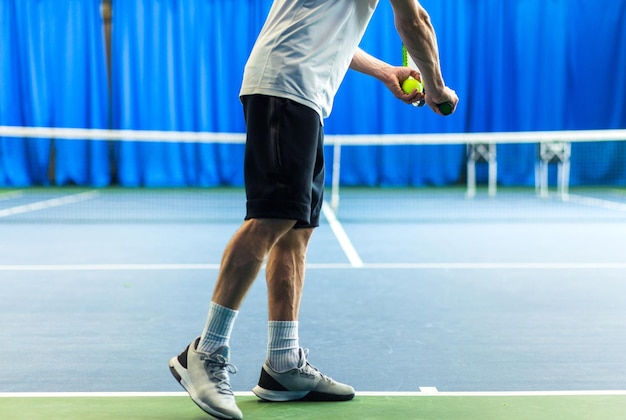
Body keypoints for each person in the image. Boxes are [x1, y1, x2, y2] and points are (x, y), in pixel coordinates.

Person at [169, 1, 458, 418]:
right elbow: (416, 21)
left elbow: (333, 37)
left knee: (296, 230)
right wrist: (436, 88)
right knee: (270, 219)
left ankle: (282, 365)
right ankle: (204, 351)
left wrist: (387, 71)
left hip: (304, 96)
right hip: (286, 87)